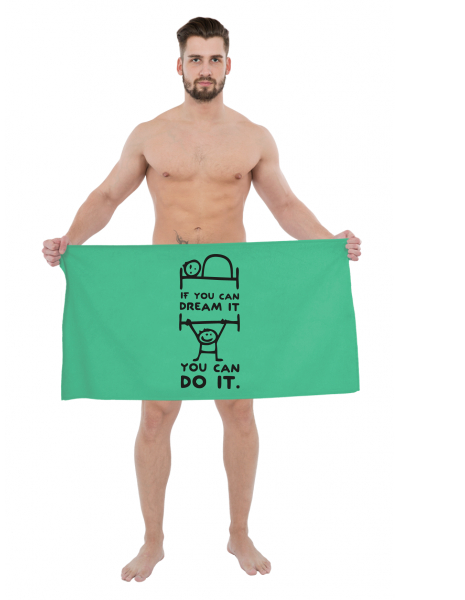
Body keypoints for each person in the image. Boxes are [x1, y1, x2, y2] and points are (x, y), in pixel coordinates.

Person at [42, 16, 362, 583]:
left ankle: (239, 533)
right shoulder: (150, 134)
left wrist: (328, 244)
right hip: (165, 288)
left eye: (215, 59)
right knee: (155, 415)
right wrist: (71, 239)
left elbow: (284, 205)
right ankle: (153, 541)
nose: (205, 69)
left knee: (238, 411)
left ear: (228, 65)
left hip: (230, 286)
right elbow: (108, 195)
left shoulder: (253, 137)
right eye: (196, 59)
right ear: (180, 65)